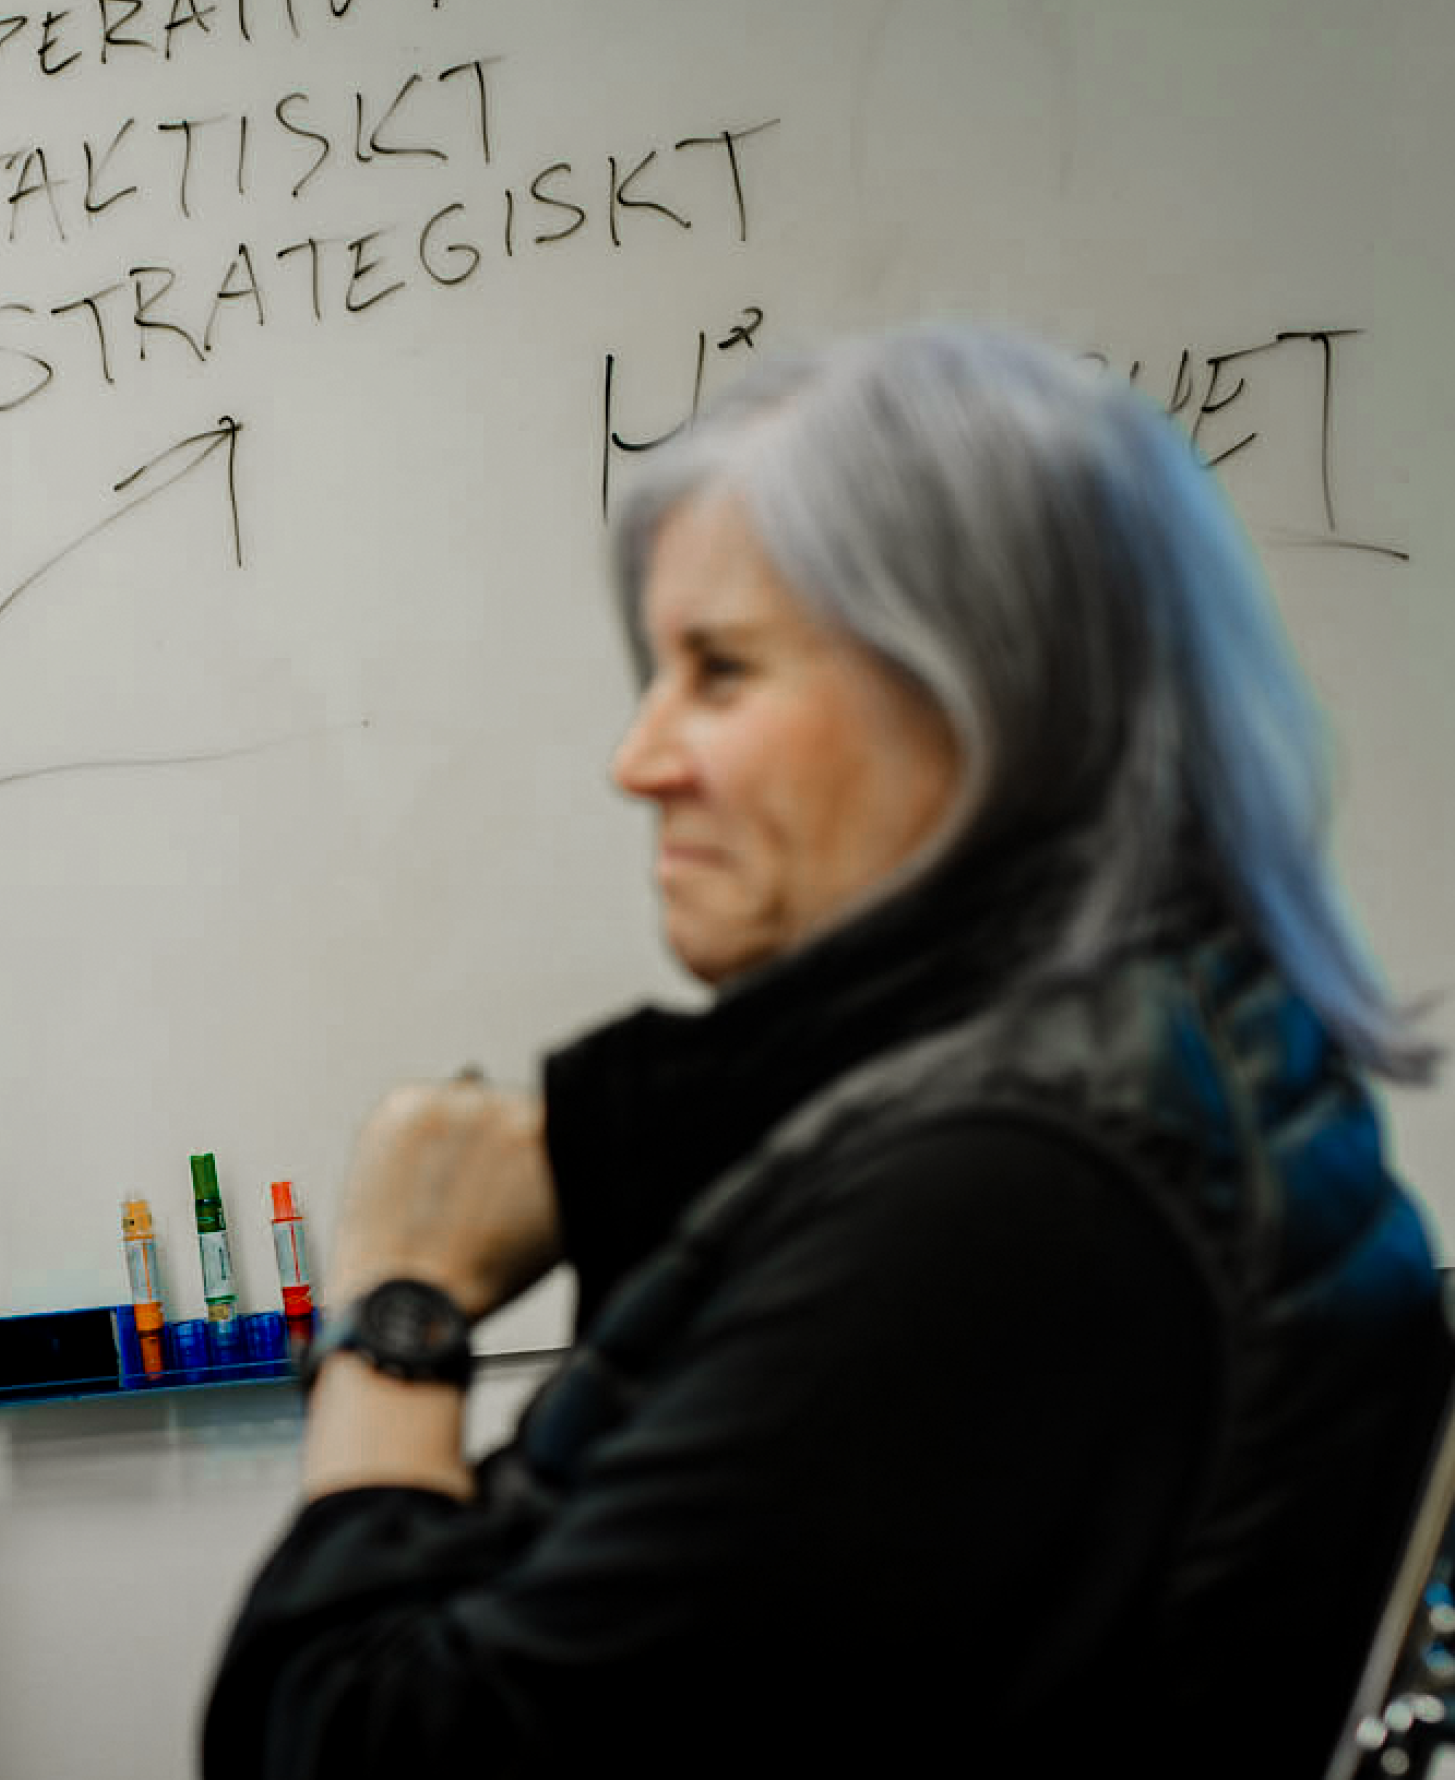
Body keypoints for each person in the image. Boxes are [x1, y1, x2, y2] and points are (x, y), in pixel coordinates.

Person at [203, 322, 1451, 1777]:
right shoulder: (1133, 1089)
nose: (638, 759)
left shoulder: (1012, 1200)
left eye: (720, 673)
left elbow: (373, 1749)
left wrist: (397, 1316)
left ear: (981, 697)